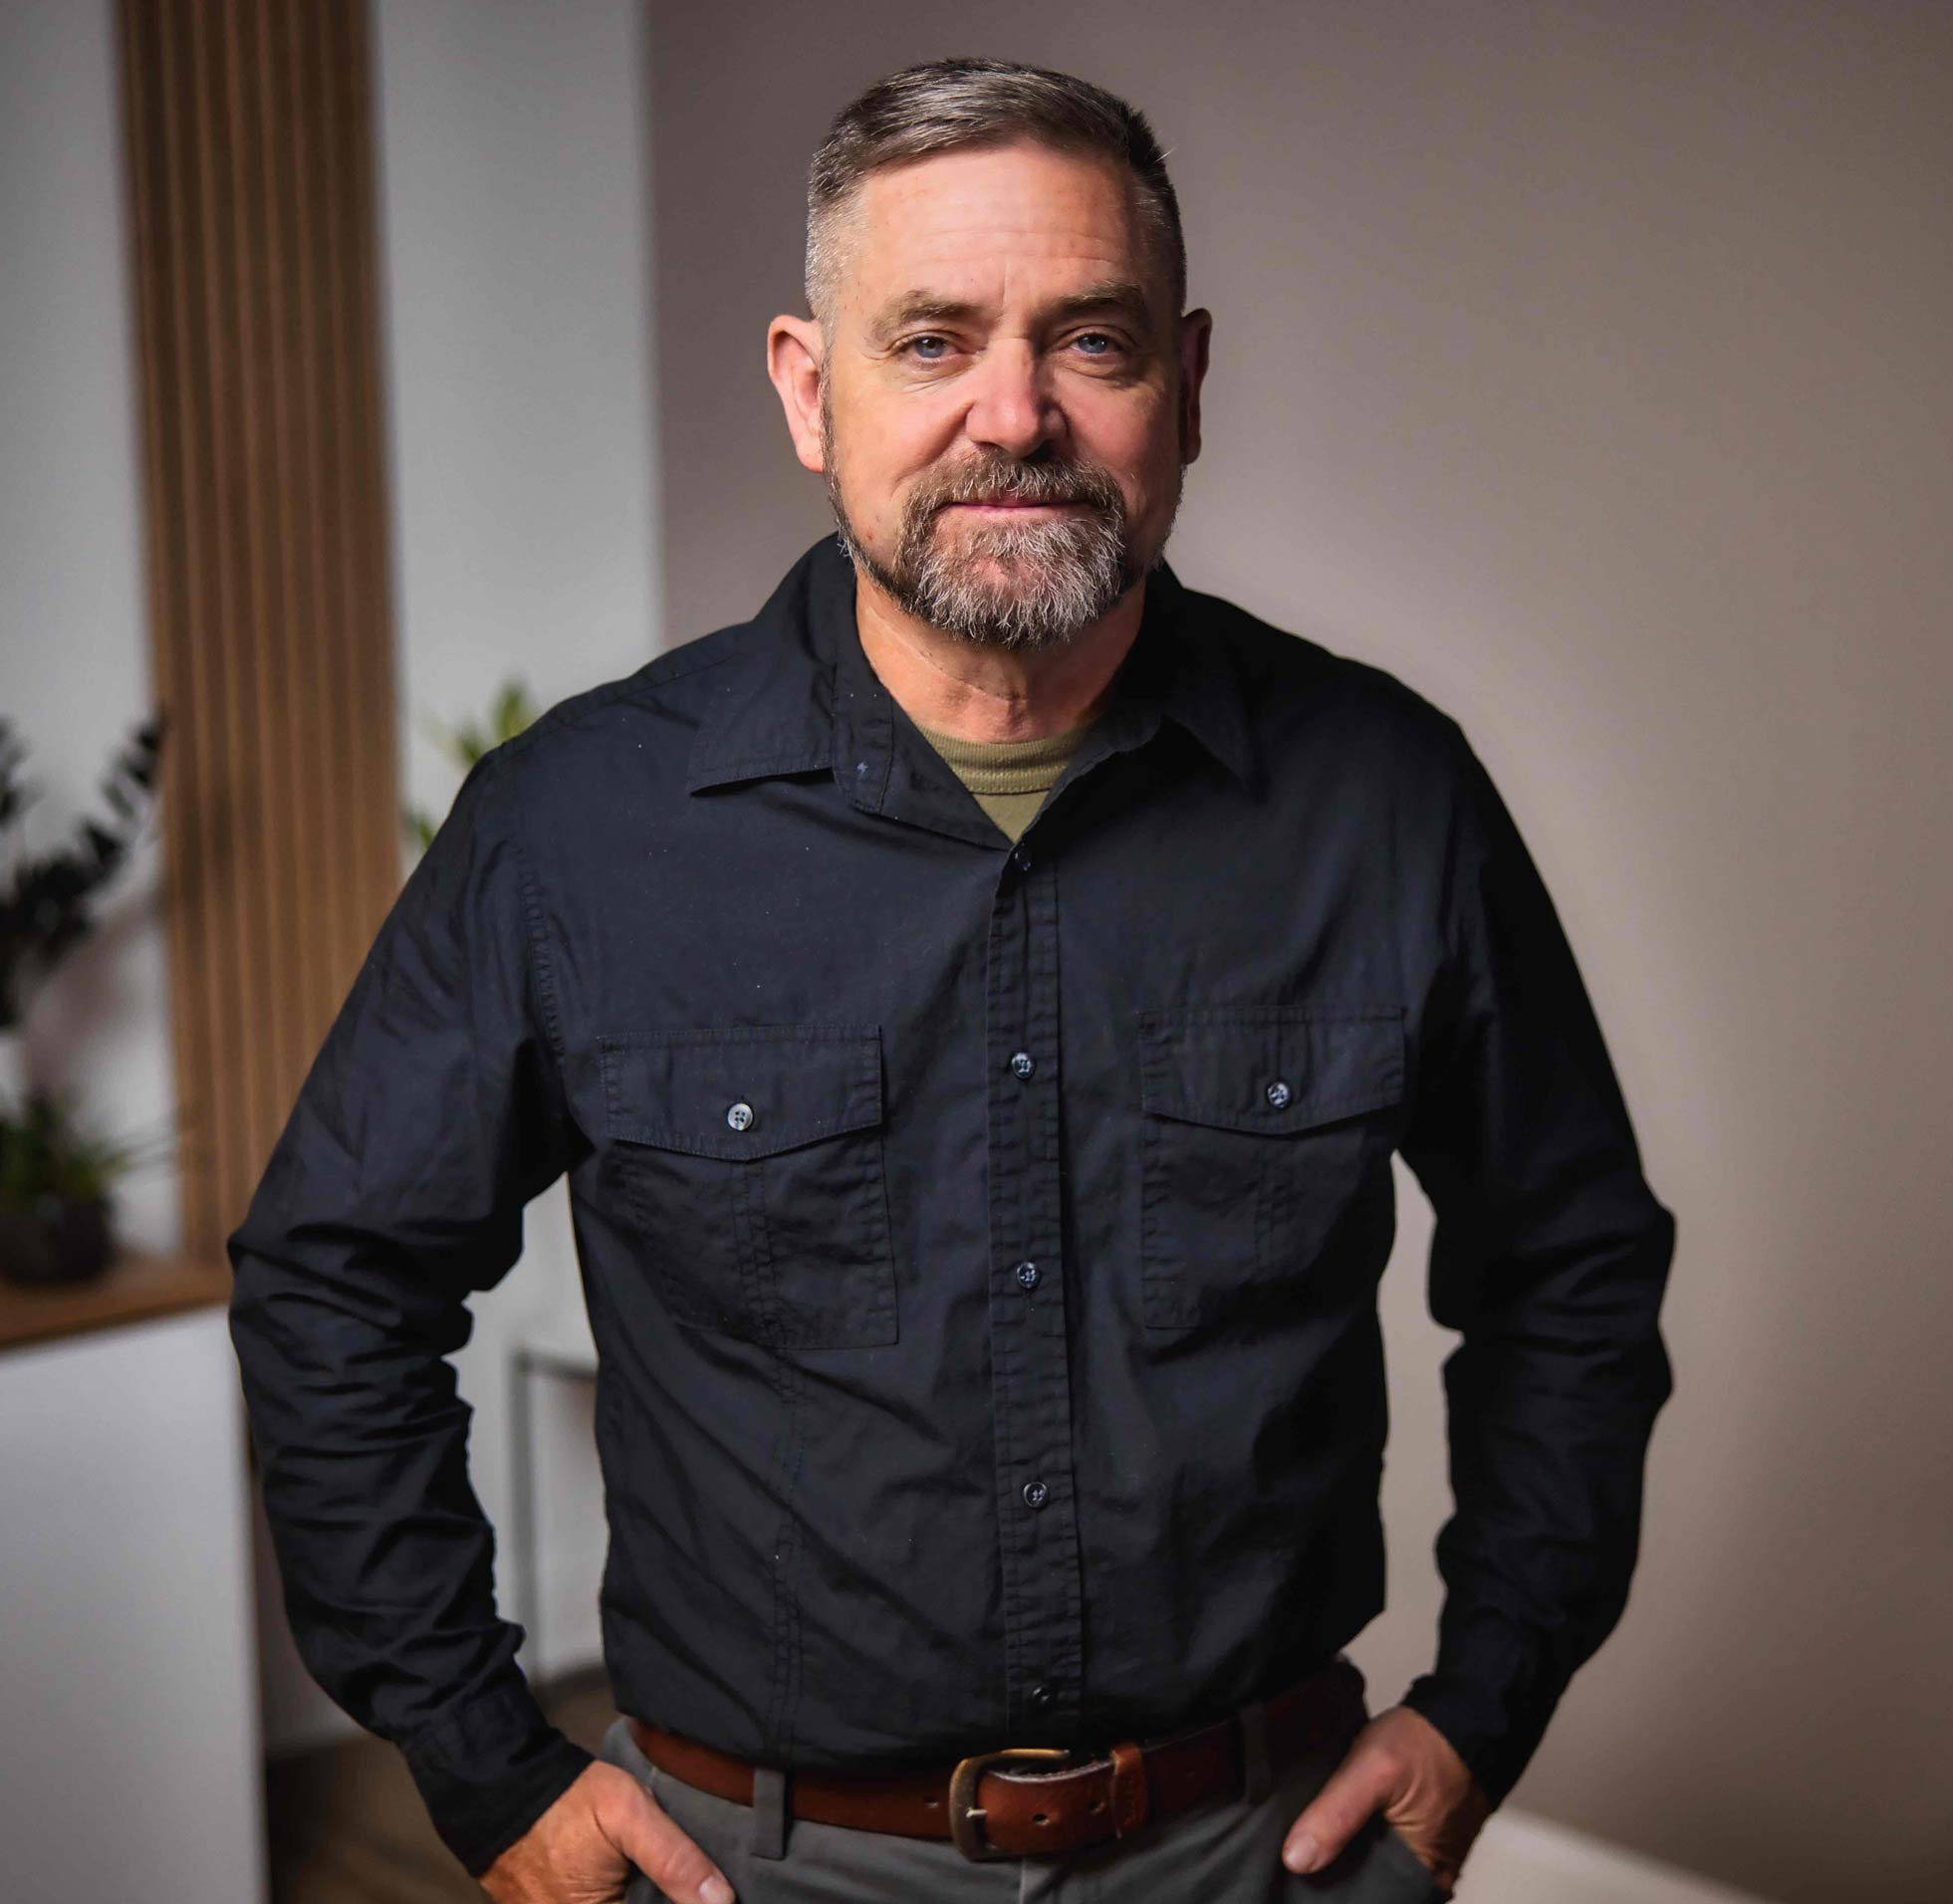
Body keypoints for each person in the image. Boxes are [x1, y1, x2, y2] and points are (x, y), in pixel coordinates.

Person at [226, 54, 1677, 1904]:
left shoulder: (1387, 796)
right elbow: (335, 1282)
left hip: (1260, 1848)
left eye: (1093, 341)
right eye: (932, 341)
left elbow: (1570, 1267)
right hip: (758, 1865)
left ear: (1188, 387)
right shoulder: (573, 827)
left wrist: (1488, 1701)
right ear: (806, 389)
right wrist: (484, 1769)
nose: (1016, 414)